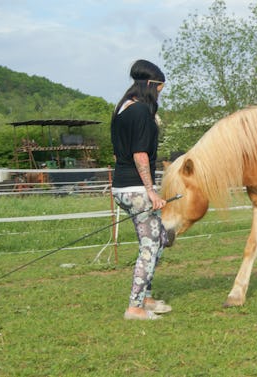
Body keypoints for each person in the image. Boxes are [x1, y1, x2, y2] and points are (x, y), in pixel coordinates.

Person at [111, 59, 171, 320]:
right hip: (137, 188)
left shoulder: (122, 110)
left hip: (122, 186)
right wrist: (152, 191)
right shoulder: (142, 113)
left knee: (158, 240)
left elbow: (117, 154)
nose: (160, 92)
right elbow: (140, 155)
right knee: (149, 246)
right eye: (159, 88)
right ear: (150, 84)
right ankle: (135, 306)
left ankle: (145, 297)